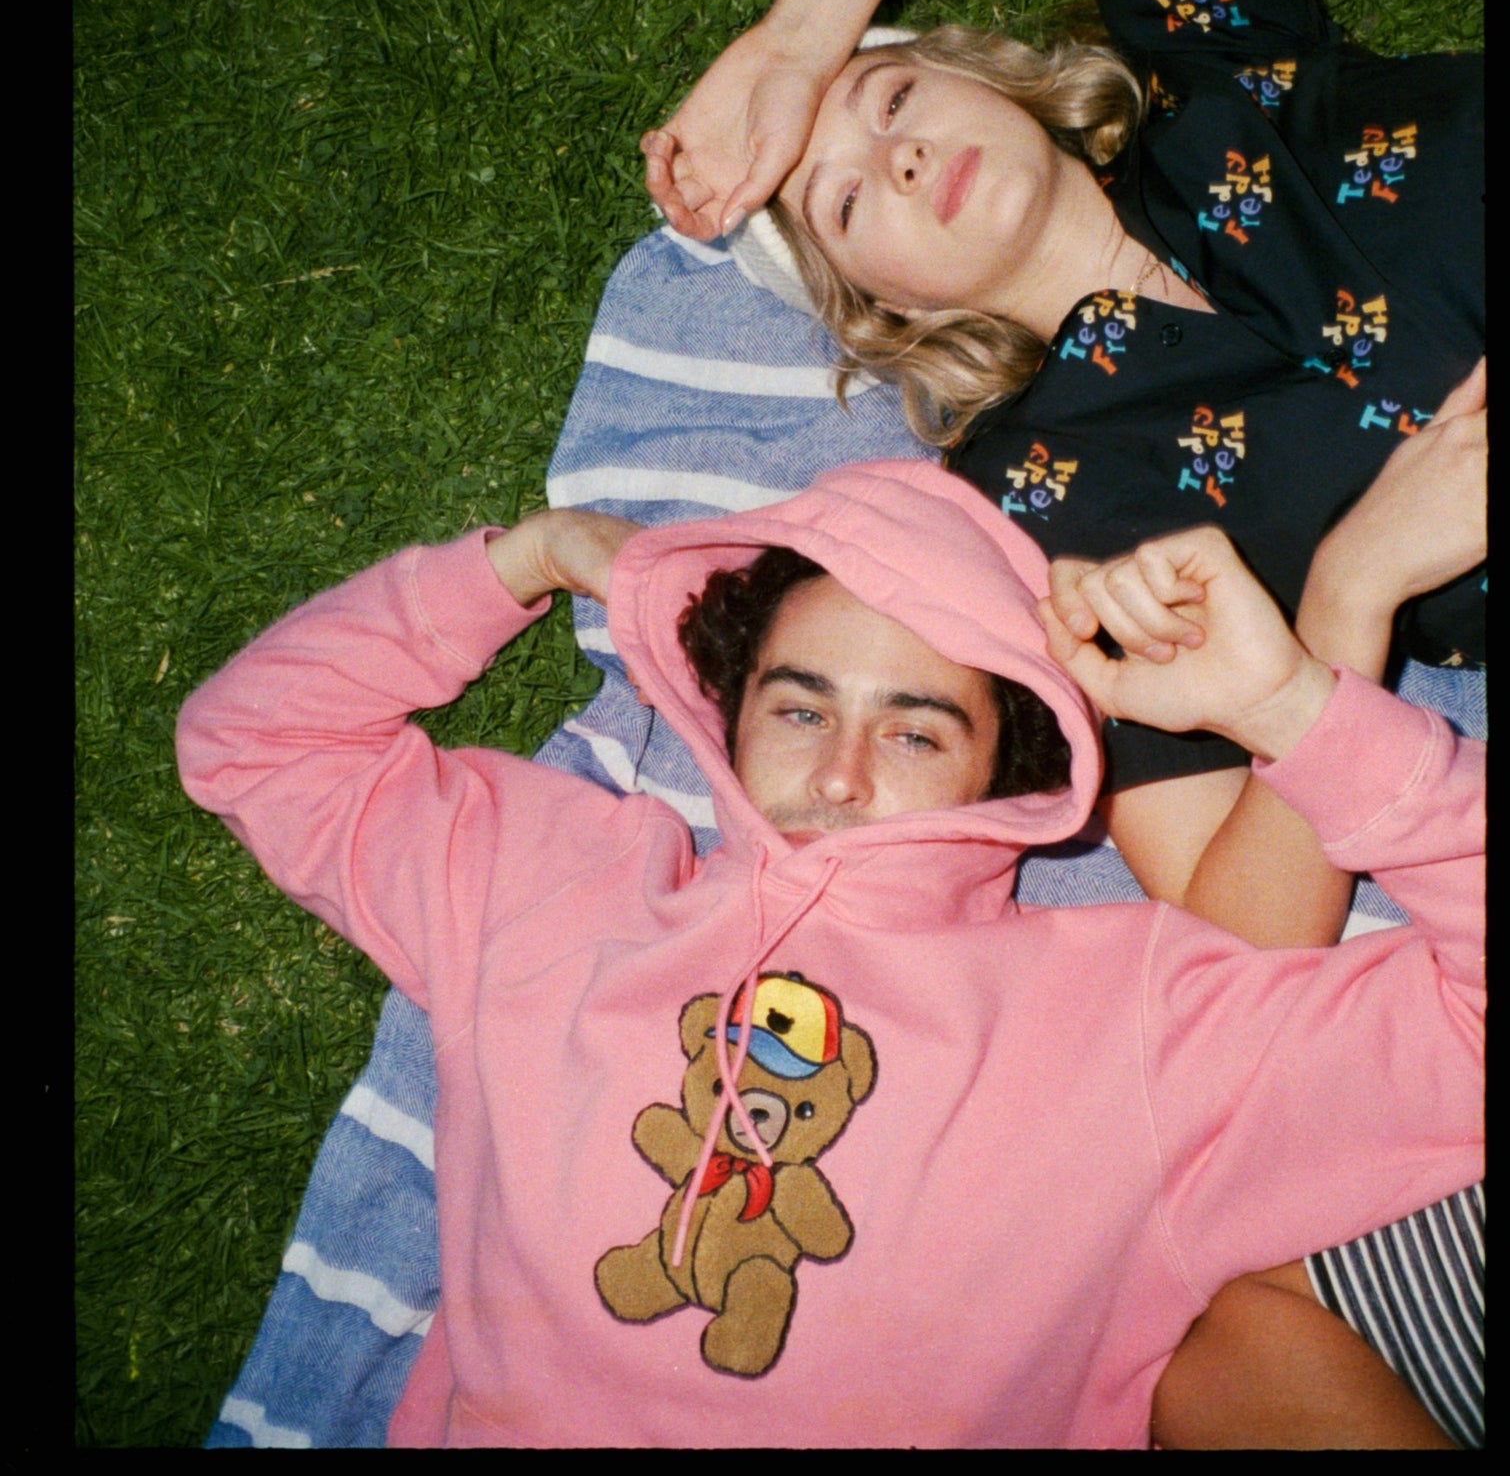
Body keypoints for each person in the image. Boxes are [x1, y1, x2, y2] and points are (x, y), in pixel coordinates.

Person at [176, 457, 1482, 1450]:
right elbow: (252, 743)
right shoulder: (552, 885)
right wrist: (530, 556)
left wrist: (1288, 708)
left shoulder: (1128, 1012)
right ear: (730, 708)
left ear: (1008, 761)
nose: (842, 775)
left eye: (914, 731)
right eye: (800, 709)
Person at [641, 0, 1484, 942]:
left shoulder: (1213, 56)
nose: (900, 156)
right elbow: (1245, 927)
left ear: (982, 77)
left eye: (892, 97)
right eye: (846, 201)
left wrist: (799, 47)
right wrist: (1351, 594)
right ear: (888, 309)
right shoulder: (1046, 499)